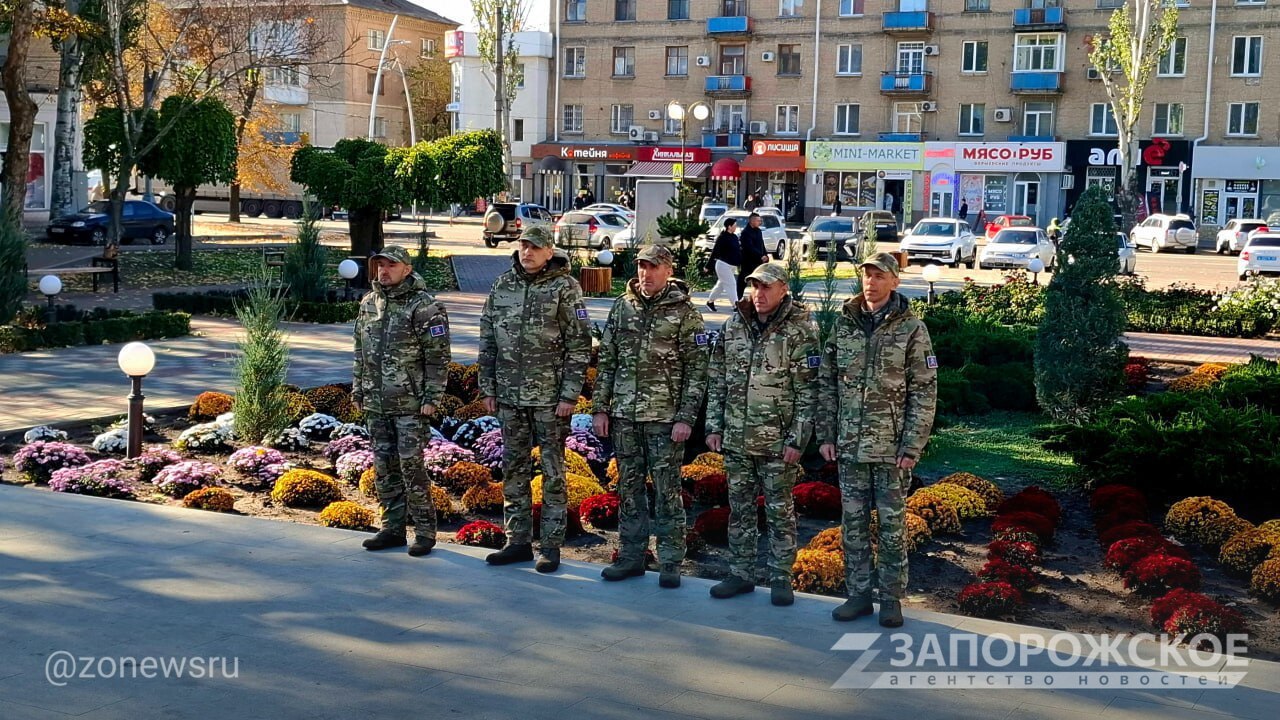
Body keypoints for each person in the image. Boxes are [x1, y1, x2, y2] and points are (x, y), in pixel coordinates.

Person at [819, 252, 937, 628]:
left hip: (891, 449)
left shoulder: (912, 329)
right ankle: (857, 595)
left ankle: (891, 599)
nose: (870, 282)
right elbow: (827, 382)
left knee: (891, 526)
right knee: (852, 524)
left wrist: (912, 444)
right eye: (866, 275)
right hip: (850, 445)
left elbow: (924, 390)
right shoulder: (845, 325)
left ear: (895, 281)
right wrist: (827, 434)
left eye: (879, 275)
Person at [593, 245, 709, 589]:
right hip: (625, 416)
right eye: (642, 266)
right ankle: (631, 556)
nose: (646, 273)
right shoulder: (622, 307)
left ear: (668, 269)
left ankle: (671, 560)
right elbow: (608, 362)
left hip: (664, 418)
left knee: (667, 491)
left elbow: (697, 370)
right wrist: (601, 407)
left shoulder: (685, 313)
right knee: (628, 489)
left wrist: (686, 417)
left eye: (653, 267)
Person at [478, 227, 593, 573]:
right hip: (510, 396)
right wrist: (488, 387)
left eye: (535, 247)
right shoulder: (503, 285)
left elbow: (579, 344)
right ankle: (517, 541)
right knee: (514, 469)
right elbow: (488, 339)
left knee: (553, 472)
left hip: (549, 398)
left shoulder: (564, 287)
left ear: (549, 251)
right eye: (523, 246)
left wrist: (570, 394)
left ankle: (551, 546)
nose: (527, 252)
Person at [705, 262, 820, 606]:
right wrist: (714, 426)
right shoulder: (734, 326)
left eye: (767, 287)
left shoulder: (801, 331)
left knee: (779, 510)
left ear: (784, 288)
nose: (759, 293)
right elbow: (718, 379)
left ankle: (781, 576)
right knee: (739, 509)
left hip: (776, 440)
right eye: (755, 286)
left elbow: (809, 391)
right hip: (737, 437)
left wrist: (798, 440)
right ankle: (739, 573)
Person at [352, 246, 451, 557]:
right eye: (379, 265)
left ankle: (424, 532)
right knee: (384, 468)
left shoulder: (425, 307)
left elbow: (438, 358)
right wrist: (358, 389)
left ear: (407, 269)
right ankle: (391, 528)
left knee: (411, 468)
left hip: (410, 404)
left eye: (391, 265)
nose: (384, 271)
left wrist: (432, 398)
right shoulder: (370, 303)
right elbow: (360, 351)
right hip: (376, 402)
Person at [706, 217, 741, 312]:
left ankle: (710, 302)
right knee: (732, 284)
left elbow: (737, 251)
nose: (736, 227)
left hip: (732, 266)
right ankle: (735, 305)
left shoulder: (734, 237)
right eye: (734, 225)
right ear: (729, 226)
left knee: (721, 285)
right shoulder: (722, 238)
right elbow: (715, 252)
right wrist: (708, 266)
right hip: (723, 265)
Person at [737, 213, 769, 298]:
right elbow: (749, 247)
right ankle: (737, 299)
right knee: (742, 281)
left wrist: (765, 255)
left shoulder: (758, 231)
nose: (760, 222)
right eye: (758, 220)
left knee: (759, 281)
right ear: (752, 221)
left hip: (758, 262)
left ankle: (758, 298)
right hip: (748, 262)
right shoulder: (745, 233)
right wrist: (760, 255)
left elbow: (762, 244)